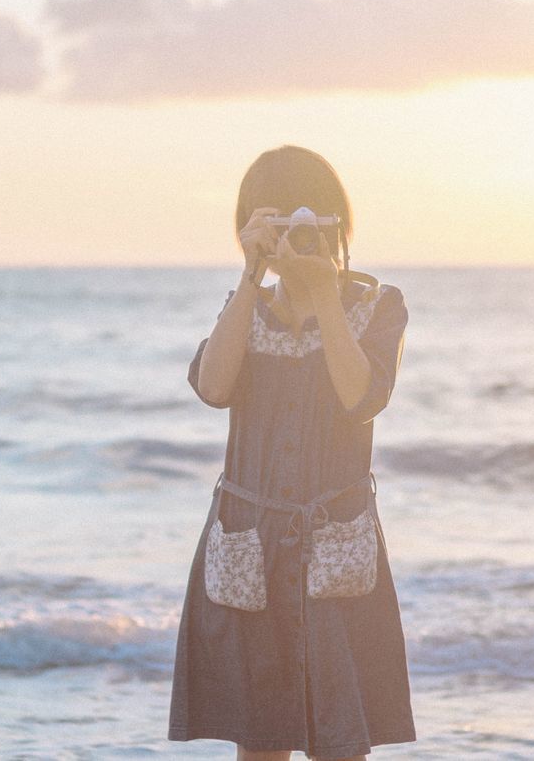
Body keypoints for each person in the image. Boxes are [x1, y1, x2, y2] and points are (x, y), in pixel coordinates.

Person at [167, 145, 417, 760]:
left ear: (335, 221)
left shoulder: (376, 306)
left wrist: (324, 293)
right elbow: (212, 387)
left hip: (334, 542)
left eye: (305, 220)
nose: (294, 237)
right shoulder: (245, 306)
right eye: (273, 221)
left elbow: (361, 396)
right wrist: (250, 276)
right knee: (259, 743)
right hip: (249, 541)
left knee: (341, 743)